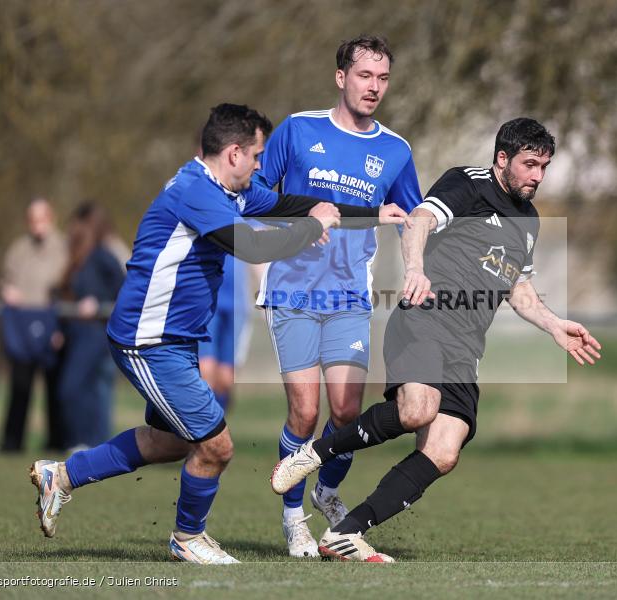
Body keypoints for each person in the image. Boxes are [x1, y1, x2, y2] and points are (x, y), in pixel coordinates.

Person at [28, 103, 407, 564]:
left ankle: (63, 476)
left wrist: (371, 213)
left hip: (176, 340)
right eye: (257, 156)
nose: (262, 166)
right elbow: (252, 245)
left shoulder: (230, 190)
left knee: (170, 441)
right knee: (217, 445)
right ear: (234, 154)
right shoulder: (196, 192)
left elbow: (286, 204)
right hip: (148, 340)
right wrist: (312, 229)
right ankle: (188, 538)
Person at [270, 118, 602, 561]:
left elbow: (516, 286)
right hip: (425, 319)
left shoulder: (529, 220)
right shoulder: (468, 183)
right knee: (417, 409)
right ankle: (313, 453)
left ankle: (345, 533)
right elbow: (419, 221)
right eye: (529, 165)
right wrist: (415, 270)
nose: (538, 176)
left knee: (444, 451)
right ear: (502, 158)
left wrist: (554, 324)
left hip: (466, 347)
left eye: (544, 167)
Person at [252, 34, 422, 557]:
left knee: (347, 412)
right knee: (305, 414)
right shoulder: (298, 130)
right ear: (341, 77)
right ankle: (293, 519)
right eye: (365, 75)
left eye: (383, 78)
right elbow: (254, 194)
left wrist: (420, 267)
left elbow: (413, 218)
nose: (374, 87)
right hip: (292, 291)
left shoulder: (395, 150)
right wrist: (304, 215)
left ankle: (325, 489)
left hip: (350, 297)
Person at [0, 198, 68, 452]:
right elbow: (4, 280)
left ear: (51, 218)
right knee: (20, 386)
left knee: (55, 388)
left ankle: (56, 442)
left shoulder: (63, 248)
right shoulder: (18, 249)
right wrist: (6, 290)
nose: (37, 224)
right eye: (32, 219)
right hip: (22, 327)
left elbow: (68, 288)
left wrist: (61, 328)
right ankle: (11, 443)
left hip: (52, 326)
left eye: (41, 218)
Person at [56, 203, 126, 450]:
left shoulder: (102, 255)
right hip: (76, 332)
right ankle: (84, 441)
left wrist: (99, 303)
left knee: (75, 387)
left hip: (95, 332)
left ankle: (87, 442)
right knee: (83, 388)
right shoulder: (76, 258)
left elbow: (124, 288)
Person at [198, 254, 249, 412]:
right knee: (206, 367)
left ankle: (215, 421)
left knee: (226, 378)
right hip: (208, 301)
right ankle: (202, 421)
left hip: (237, 305)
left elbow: (259, 258)